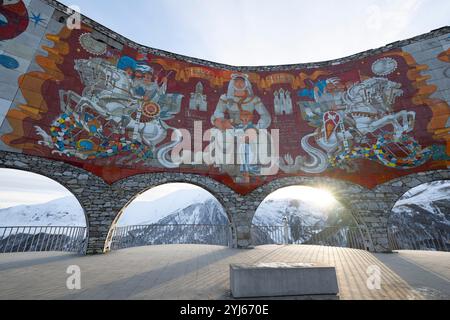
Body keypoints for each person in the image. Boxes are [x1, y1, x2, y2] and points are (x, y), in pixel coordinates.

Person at [211, 74, 272, 183]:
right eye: (236, 81)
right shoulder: (226, 98)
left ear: (246, 83)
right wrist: (223, 122)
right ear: (232, 83)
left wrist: (256, 128)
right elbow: (217, 113)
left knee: (259, 139)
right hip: (231, 127)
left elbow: (265, 115)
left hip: (249, 127)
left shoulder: (254, 99)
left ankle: (250, 171)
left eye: (241, 81)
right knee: (221, 137)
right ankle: (229, 169)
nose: (239, 84)